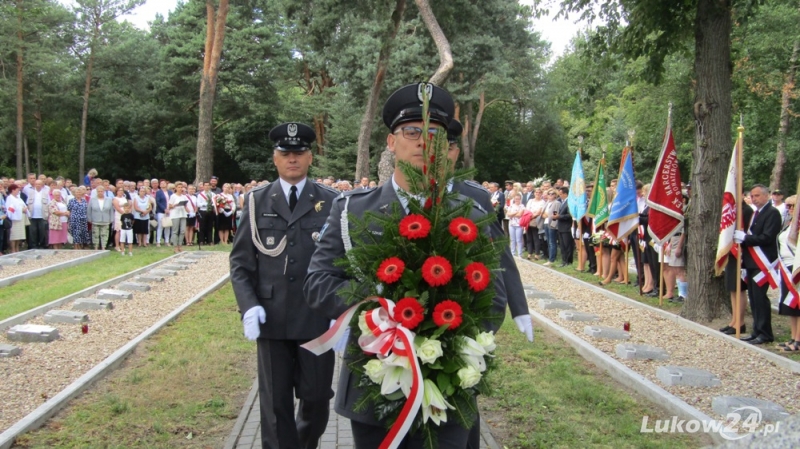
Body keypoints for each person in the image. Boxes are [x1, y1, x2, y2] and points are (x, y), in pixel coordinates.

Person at [305, 83, 506, 449]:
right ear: (390, 141)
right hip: (375, 380)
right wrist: (377, 309)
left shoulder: (471, 214)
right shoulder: (352, 210)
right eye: (411, 132)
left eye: (433, 134)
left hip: (448, 388)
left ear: (446, 148)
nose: (421, 142)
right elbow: (318, 283)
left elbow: (495, 299)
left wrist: (449, 336)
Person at [230, 121, 338, 449]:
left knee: (317, 400)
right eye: (285, 153)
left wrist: (340, 309)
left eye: (299, 152)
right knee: (275, 406)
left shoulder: (331, 201)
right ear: (275, 158)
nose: (292, 159)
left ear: (310, 157)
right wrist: (249, 307)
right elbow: (240, 263)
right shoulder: (256, 201)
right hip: (272, 317)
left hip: (317, 319)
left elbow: (342, 262)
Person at [733, 184, 782, 345]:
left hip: (763, 262)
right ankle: (757, 330)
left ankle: (765, 332)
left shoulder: (772, 213)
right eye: (752, 196)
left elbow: (767, 237)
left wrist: (745, 239)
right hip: (751, 261)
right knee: (753, 297)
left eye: (757, 196)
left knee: (760, 298)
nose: (754, 199)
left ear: (766, 196)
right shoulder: (756, 213)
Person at [719, 198, 753, 335]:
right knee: (732, 287)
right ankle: (734, 320)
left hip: (741, 252)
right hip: (731, 252)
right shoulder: (732, 209)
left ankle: (740, 322)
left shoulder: (746, 210)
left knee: (739, 288)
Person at [777, 195, 800, 351]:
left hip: (795, 266)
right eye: (788, 206)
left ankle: (798, 340)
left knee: (798, 305)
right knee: (790, 305)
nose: (790, 209)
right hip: (785, 266)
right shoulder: (788, 224)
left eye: (793, 206)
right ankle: (793, 337)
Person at [88, 185, 114, 250]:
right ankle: (96, 247)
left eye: (101, 191)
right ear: (96, 192)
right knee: (95, 235)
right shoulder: (92, 199)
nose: (100, 192)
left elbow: (111, 210)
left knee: (105, 234)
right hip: (95, 220)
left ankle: (103, 247)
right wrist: (89, 218)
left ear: (104, 192)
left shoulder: (109, 199)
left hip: (105, 220)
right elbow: (89, 210)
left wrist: (111, 219)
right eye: (98, 191)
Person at [26, 179, 49, 249]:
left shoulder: (46, 193)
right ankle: (33, 246)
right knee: (33, 232)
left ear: (42, 185)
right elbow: (27, 204)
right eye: (36, 184)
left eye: (39, 184)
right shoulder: (30, 193)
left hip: (42, 216)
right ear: (34, 185)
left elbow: (49, 204)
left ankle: (42, 245)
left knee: (42, 232)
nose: (38, 185)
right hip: (32, 216)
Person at [553, 186, 574, 267]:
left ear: (565, 194)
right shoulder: (563, 202)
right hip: (561, 227)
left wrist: (559, 216)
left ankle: (568, 261)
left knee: (567, 245)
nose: (560, 195)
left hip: (566, 227)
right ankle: (564, 260)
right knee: (562, 245)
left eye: (561, 194)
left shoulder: (569, 202)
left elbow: (569, 215)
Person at [167, 181, 189, 253]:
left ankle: (180, 245)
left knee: (183, 230)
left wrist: (187, 209)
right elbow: (169, 206)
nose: (180, 189)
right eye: (178, 187)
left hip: (182, 214)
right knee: (175, 231)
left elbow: (185, 205)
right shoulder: (173, 196)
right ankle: (175, 246)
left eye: (181, 187)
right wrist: (175, 205)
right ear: (176, 188)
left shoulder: (184, 196)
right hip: (175, 214)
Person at [5, 184, 27, 253]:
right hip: (14, 219)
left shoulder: (18, 198)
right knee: (14, 235)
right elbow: (10, 208)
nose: (18, 191)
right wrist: (21, 209)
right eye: (17, 189)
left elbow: (23, 204)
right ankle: (13, 249)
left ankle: (17, 248)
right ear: (13, 190)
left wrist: (25, 208)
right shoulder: (10, 198)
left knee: (19, 235)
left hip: (20, 218)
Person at [525, 188, 545, 260]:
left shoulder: (542, 202)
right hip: (528, 220)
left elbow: (539, 211)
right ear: (534, 193)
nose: (538, 194)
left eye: (539, 192)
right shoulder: (530, 201)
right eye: (536, 192)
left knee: (536, 238)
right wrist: (529, 217)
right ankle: (529, 253)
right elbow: (527, 209)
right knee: (529, 238)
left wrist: (532, 216)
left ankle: (537, 253)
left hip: (536, 221)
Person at [542, 189, 559, 266]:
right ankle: (549, 256)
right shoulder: (547, 203)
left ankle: (552, 259)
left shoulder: (556, 203)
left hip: (551, 224)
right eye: (549, 194)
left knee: (552, 242)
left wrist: (553, 224)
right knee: (548, 241)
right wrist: (544, 215)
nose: (550, 195)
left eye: (552, 194)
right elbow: (542, 213)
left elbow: (555, 214)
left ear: (555, 195)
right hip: (545, 223)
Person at [505, 192, 525, 257]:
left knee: (519, 239)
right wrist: (515, 212)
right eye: (516, 199)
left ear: (520, 199)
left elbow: (520, 215)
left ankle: (520, 254)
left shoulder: (522, 206)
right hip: (511, 224)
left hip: (519, 224)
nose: (517, 200)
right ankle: (512, 253)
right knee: (512, 239)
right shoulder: (511, 205)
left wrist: (513, 213)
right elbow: (508, 214)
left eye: (518, 199)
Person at [112, 186, 129, 252]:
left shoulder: (124, 198)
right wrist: (124, 214)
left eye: (122, 190)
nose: (121, 191)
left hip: (125, 214)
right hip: (119, 215)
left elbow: (127, 206)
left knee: (123, 231)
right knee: (118, 231)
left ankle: (122, 245)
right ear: (117, 191)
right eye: (119, 190)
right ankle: (117, 246)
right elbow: (117, 208)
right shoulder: (115, 199)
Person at [155, 180, 171, 247]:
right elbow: (158, 202)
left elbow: (172, 200)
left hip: (169, 211)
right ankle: (158, 241)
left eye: (164, 183)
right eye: (161, 183)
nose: (163, 184)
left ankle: (167, 241)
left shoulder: (170, 192)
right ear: (160, 185)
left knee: (168, 226)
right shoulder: (158, 192)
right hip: (161, 211)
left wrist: (169, 209)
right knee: (160, 226)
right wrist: (164, 209)